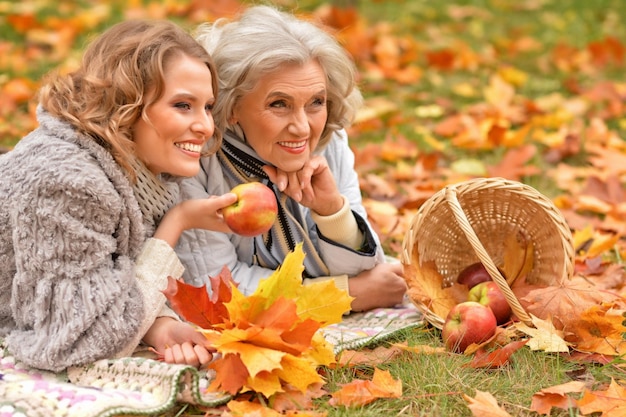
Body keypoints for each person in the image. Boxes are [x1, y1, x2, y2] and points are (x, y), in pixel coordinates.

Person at [0, 19, 239, 372]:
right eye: (183, 105)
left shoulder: (142, 170)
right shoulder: (66, 180)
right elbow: (79, 337)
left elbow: (108, 276)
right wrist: (176, 223)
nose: (205, 125)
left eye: (207, 107)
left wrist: (158, 327)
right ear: (125, 103)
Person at [176, 5, 407, 312]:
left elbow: (365, 269)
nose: (302, 127)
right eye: (279, 104)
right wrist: (345, 295)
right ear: (230, 107)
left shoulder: (328, 141)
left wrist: (331, 210)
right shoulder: (196, 156)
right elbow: (216, 289)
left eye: (316, 102)